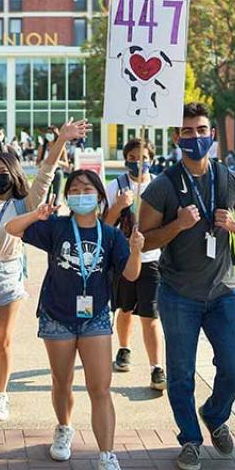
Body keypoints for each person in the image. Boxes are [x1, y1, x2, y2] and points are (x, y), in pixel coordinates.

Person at [138, 102, 235, 470]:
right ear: (177, 138)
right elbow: (143, 241)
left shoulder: (230, 179)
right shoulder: (162, 186)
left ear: (213, 134)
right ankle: (190, 440)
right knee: (180, 372)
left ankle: (214, 413)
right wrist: (176, 226)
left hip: (223, 290)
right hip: (179, 293)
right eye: (188, 132)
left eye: (202, 130)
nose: (196, 137)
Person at [7, 168, 142, 470]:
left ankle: (107, 458)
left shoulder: (109, 235)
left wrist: (135, 248)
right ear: (68, 196)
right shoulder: (56, 227)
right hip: (56, 316)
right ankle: (64, 427)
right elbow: (12, 229)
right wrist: (35, 216)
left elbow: (132, 275)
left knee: (100, 388)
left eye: (88, 189)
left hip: (95, 317)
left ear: (99, 196)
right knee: (62, 382)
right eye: (76, 189)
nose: (82, 194)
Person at [0, 120, 83, 443]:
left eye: (2, 170)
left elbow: (45, 175)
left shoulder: (24, 204)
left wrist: (60, 141)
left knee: (3, 341)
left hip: (9, 275)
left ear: (14, 173)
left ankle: (1, 392)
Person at [105, 138, 165, 391]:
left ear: (152, 158)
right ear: (125, 159)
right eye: (131, 157)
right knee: (125, 309)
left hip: (152, 259)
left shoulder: (160, 186)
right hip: (124, 259)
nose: (137, 162)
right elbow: (105, 225)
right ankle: (124, 348)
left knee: (150, 315)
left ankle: (156, 368)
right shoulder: (115, 187)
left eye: (143, 157)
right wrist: (119, 206)